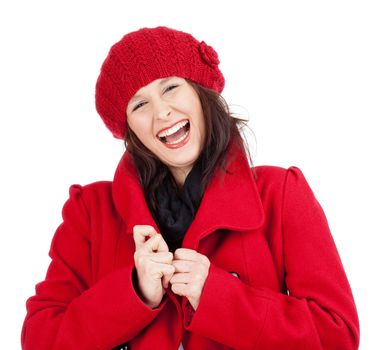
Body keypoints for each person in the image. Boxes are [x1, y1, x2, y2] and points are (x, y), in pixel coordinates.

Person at [21, 26, 360, 350]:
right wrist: (134, 293)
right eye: (140, 105)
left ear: (200, 94)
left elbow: (337, 335)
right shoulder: (90, 211)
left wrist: (217, 294)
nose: (162, 112)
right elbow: (40, 339)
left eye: (171, 87)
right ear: (129, 129)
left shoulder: (280, 193)